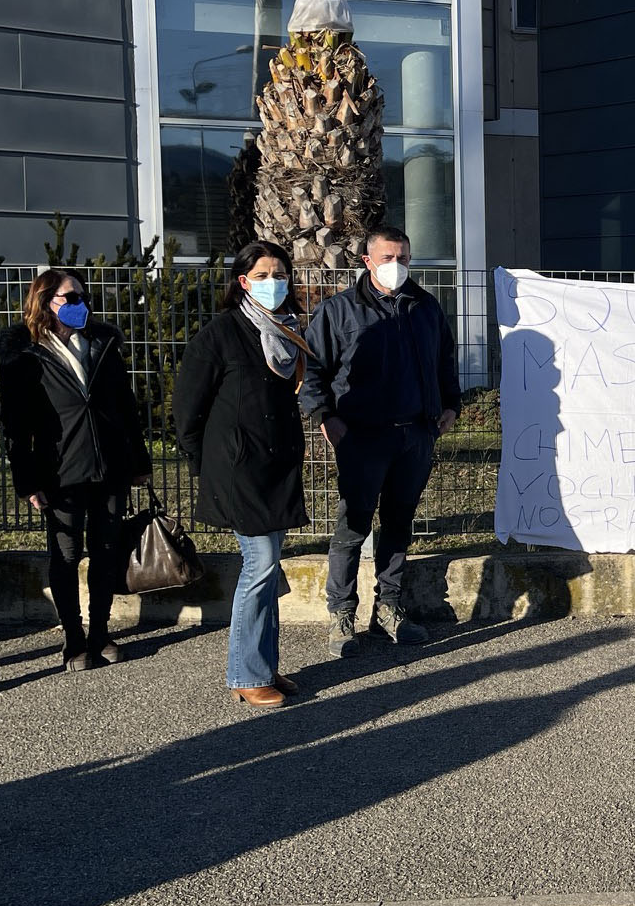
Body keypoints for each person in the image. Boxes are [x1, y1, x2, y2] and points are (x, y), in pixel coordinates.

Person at [300, 227, 460, 657]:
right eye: (388, 257)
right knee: (352, 526)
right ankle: (341, 613)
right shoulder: (339, 311)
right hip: (362, 436)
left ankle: (388, 608)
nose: (397, 266)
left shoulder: (425, 308)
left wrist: (451, 405)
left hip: (416, 434)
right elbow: (312, 371)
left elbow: (445, 360)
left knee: (398, 523)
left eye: (404, 257)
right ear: (368, 261)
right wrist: (325, 416)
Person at [175, 241, 312, 706]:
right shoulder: (221, 334)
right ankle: (246, 674)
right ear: (243, 281)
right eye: (264, 274)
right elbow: (187, 412)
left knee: (269, 569)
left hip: (273, 468)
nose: (275, 282)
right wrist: (208, 467)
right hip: (238, 472)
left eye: (281, 273)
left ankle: (265, 666)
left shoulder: (285, 330)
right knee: (260, 567)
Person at [0, 269, 152, 673]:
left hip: (110, 466)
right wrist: (26, 479)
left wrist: (139, 461)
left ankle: (101, 632)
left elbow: (126, 407)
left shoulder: (101, 344)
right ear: (46, 301)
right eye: (70, 297)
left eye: (82, 295)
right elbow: (16, 424)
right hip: (60, 470)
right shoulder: (26, 352)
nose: (80, 303)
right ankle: (74, 638)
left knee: (105, 551)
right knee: (66, 555)